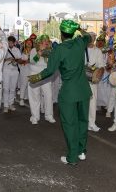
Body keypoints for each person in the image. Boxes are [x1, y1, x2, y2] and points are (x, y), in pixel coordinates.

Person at [29, 19, 92, 165]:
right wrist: (79, 29)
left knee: (70, 124)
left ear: (61, 34)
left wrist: (35, 77)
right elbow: (88, 36)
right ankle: (82, 151)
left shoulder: (59, 49)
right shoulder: (79, 43)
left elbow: (50, 71)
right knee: (83, 121)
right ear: (73, 32)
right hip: (83, 90)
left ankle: (72, 157)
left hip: (69, 92)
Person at [28, 35, 55, 125]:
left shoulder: (50, 51)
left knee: (49, 96)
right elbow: (32, 61)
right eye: (44, 41)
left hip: (45, 76)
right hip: (35, 75)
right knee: (35, 97)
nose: (46, 42)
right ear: (40, 42)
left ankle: (49, 115)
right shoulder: (33, 50)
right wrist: (39, 52)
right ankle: (35, 117)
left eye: (47, 41)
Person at [85, 32, 105, 132]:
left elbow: (101, 66)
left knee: (92, 102)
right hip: (81, 80)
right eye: (89, 37)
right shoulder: (81, 49)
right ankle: (83, 123)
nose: (91, 39)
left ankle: (92, 123)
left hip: (92, 80)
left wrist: (97, 73)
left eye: (93, 37)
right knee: (81, 102)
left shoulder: (98, 51)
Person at [2, 36, 21, 112]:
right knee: (6, 88)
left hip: (15, 70)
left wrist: (15, 60)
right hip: (6, 70)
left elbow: (20, 59)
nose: (10, 43)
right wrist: (7, 59)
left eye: (11, 42)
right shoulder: (4, 50)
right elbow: (0, 60)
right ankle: (5, 105)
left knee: (13, 88)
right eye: (9, 42)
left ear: (14, 43)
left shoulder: (17, 49)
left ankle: (11, 104)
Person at [18, 38, 33, 106]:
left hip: (32, 70)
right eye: (28, 42)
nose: (29, 44)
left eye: (30, 42)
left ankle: (29, 98)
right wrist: (25, 61)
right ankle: (21, 99)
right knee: (23, 84)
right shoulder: (23, 51)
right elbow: (20, 61)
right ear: (25, 44)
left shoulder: (34, 51)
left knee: (30, 85)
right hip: (24, 70)